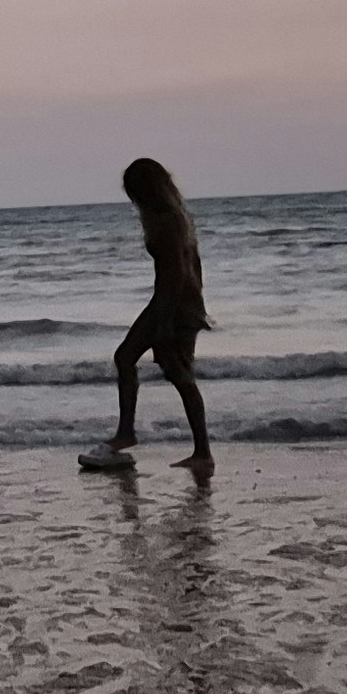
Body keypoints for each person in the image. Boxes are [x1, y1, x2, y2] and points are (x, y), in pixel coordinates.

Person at [84, 157, 211, 472]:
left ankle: (200, 452)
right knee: (144, 362)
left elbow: (177, 273)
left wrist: (167, 321)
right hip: (176, 302)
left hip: (173, 304)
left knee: (174, 370)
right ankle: (130, 434)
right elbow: (193, 268)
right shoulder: (176, 218)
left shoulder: (167, 223)